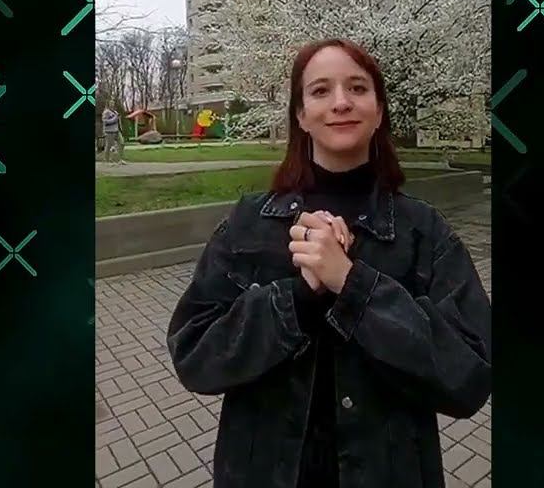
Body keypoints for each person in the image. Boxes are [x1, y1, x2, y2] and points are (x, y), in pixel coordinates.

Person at [165, 38, 492, 487]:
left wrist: (353, 284)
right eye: (320, 90)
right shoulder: (249, 224)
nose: (341, 102)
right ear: (301, 115)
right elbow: (195, 355)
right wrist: (297, 297)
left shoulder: (423, 231)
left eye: (357, 88)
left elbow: (469, 376)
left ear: (379, 111)